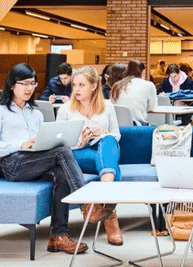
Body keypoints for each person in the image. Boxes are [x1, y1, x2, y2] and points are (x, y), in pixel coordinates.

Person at [0, 63, 88, 254]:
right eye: (23, 83)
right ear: (12, 86)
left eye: (32, 83)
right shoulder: (2, 111)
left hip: (33, 161)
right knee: (62, 152)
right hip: (11, 164)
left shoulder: (37, 114)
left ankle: (58, 237)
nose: (29, 88)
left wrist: (76, 142)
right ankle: (86, 204)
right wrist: (20, 145)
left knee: (61, 172)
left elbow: (45, 143)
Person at [56, 66, 123, 246]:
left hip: (103, 148)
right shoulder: (65, 110)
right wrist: (80, 141)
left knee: (109, 140)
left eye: (81, 85)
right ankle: (111, 215)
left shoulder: (107, 106)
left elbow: (117, 134)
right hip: (78, 154)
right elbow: (59, 143)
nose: (76, 89)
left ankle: (105, 192)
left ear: (94, 86)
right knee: (112, 167)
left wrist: (105, 132)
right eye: (74, 85)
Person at [110, 59, 157, 125]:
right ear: (143, 72)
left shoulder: (117, 85)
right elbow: (152, 108)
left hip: (117, 127)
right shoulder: (149, 85)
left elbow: (112, 106)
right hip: (137, 127)